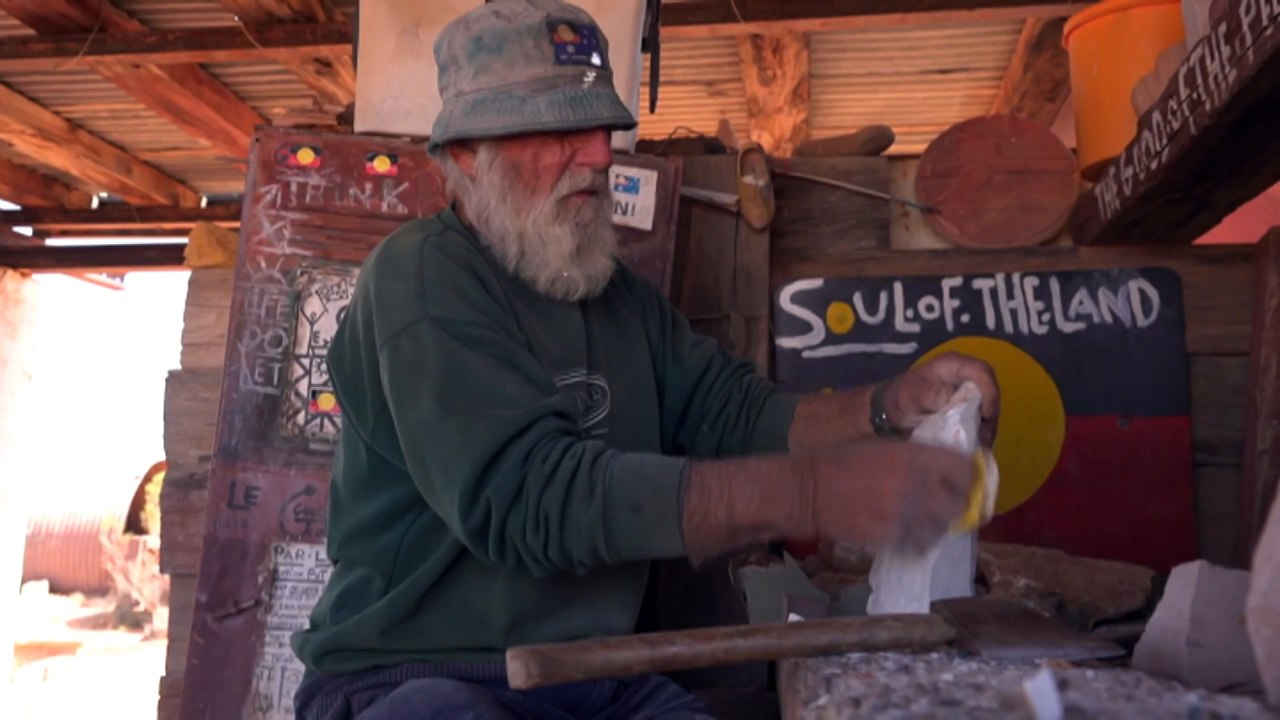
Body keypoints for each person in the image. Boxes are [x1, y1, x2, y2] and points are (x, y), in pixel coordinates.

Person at [291, 1, 999, 718]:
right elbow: (531, 500)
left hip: (596, 677)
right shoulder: (421, 275)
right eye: (563, 131)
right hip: (419, 674)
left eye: (603, 128)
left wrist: (885, 407)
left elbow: (737, 413)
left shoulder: (617, 297)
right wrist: (813, 494)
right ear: (469, 152)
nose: (601, 156)